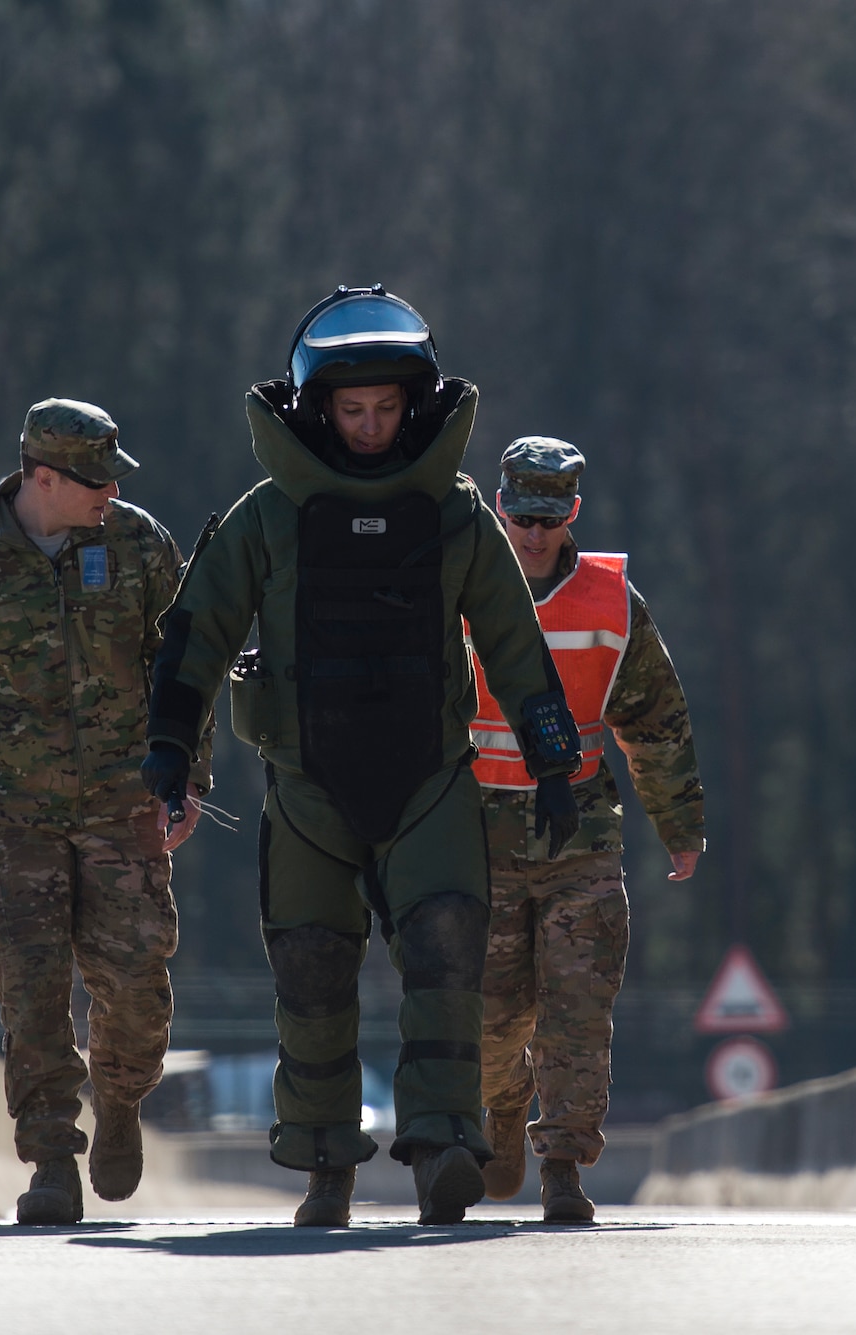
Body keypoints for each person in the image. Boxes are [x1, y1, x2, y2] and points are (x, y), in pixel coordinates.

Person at [140, 285, 584, 1227]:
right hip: (305, 784)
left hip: (430, 776)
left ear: (414, 403)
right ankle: (325, 1166)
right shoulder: (265, 516)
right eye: (353, 409)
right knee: (309, 968)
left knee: (447, 951)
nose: (373, 426)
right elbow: (197, 635)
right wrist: (169, 748)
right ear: (318, 407)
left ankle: (443, 1148)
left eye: (387, 408)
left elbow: (515, 645)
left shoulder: (458, 513)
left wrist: (555, 762)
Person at [0, 398, 208, 1226]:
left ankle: (123, 1098)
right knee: (31, 992)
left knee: (135, 987)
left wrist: (189, 775)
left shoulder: (138, 545)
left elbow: (185, 666)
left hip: (121, 808)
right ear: (43, 478)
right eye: (93, 479)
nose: (110, 491)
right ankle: (53, 1160)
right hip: (10, 816)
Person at [470, 437, 704, 1223]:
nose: (534, 535)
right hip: (479, 845)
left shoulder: (612, 601)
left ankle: (563, 1163)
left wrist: (680, 825)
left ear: (573, 512)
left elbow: (656, 721)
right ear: (500, 507)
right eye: (521, 516)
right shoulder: (457, 587)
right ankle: (500, 1106)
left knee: (577, 1007)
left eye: (550, 517)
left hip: (581, 840)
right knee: (491, 1015)